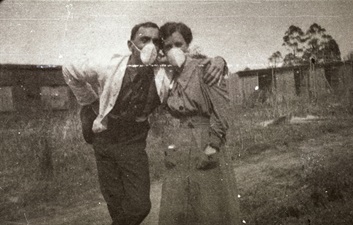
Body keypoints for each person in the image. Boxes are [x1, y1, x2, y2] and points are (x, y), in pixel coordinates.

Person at [62, 21, 228, 225]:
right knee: (116, 204)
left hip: (133, 142)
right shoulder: (108, 64)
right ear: (131, 45)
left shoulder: (164, 71)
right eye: (144, 39)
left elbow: (193, 66)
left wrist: (220, 61)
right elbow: (69, 70)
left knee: (139, 206)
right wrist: (91, 102)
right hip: (103, 140)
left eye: (156, 41)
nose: (151, 45)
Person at [157, 22, 241, 225]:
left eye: (179, 44)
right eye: (168, 46)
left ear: (187, 46)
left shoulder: (206, 69)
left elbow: (222, 113)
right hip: (178, 144)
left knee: (209, 208)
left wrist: (213, 146)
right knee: (178, 208)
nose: (174, 50)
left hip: (204, 140)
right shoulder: (165, 75)